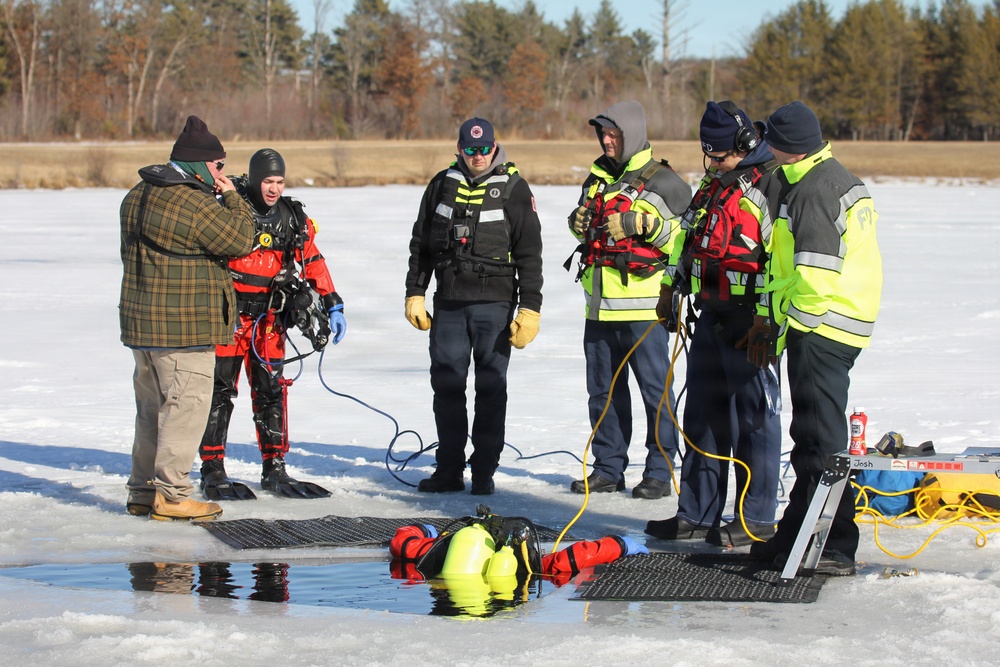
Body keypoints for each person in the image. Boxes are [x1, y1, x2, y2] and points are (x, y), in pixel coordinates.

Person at [747, 101, 882, 576]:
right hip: (830, 325)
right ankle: (798, 533)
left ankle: (835, 544)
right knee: (809, 437)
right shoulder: (822, 178)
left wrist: (787, 331)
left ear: (783, 146)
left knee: (820, 441)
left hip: (821, 328)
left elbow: (817, 279)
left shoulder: (813, 191)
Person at [644, 101, 783, 544]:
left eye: (720, 156)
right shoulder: (713, 184)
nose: (713, 163)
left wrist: (765, 320)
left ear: (744, 144)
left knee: (754, 422)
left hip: (751, 325)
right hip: (709, 315)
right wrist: (671, 284)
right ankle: (697, 513)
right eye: (709, 156)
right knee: (701, 417)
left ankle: (753, 519)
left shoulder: (770, 187)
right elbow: (686, 236)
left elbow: (780, 261)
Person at [119, 115, 255, 521]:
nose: (223, 174)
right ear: (199, 165)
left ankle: (143, 492)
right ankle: (174, 494)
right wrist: (231, 197)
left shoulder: (136, 194)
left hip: (142, 328)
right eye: (218, 167)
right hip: (182, 329)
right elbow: (240, 239)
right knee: (186, 407)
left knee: (151, 411)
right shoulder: (192, 203)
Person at [404, 117, 543, 496]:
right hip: (448, 304)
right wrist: (415, 292)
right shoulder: (440, 186)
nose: (478, 156)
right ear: (460, 148)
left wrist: (529, 308)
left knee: (490, 388)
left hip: (494, 306)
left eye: (484, 149)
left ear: (495, 147)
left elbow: (531, 254)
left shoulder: (514, 189)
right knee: (447, 386)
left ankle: (483, 471)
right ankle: (449, 469)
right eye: (470, 149)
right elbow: (422, 244)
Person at [198, 148, 347, 500]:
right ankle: (212, 467)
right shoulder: (228, 208)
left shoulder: (292, 218)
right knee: (219, 393)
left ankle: (274, 467)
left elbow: (312, 261)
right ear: (253, 178)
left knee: (272, 392)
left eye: (279, 182)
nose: (274, 189)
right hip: (229, 318)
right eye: (267, 181)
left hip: (269, 320)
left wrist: (332, 302)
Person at [566, 100, 691, 499]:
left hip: (646, 309)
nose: (606, 140)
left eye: (614, 134)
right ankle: (608, 468)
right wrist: (577, 224)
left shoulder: (667, 182)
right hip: (599, 307)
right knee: (602, 393)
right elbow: (589, 236)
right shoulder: (596, 178)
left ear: (631, 134)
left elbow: (685, 242)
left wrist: (645, 224)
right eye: (602, 133)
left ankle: (659, 470)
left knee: (656, 393)